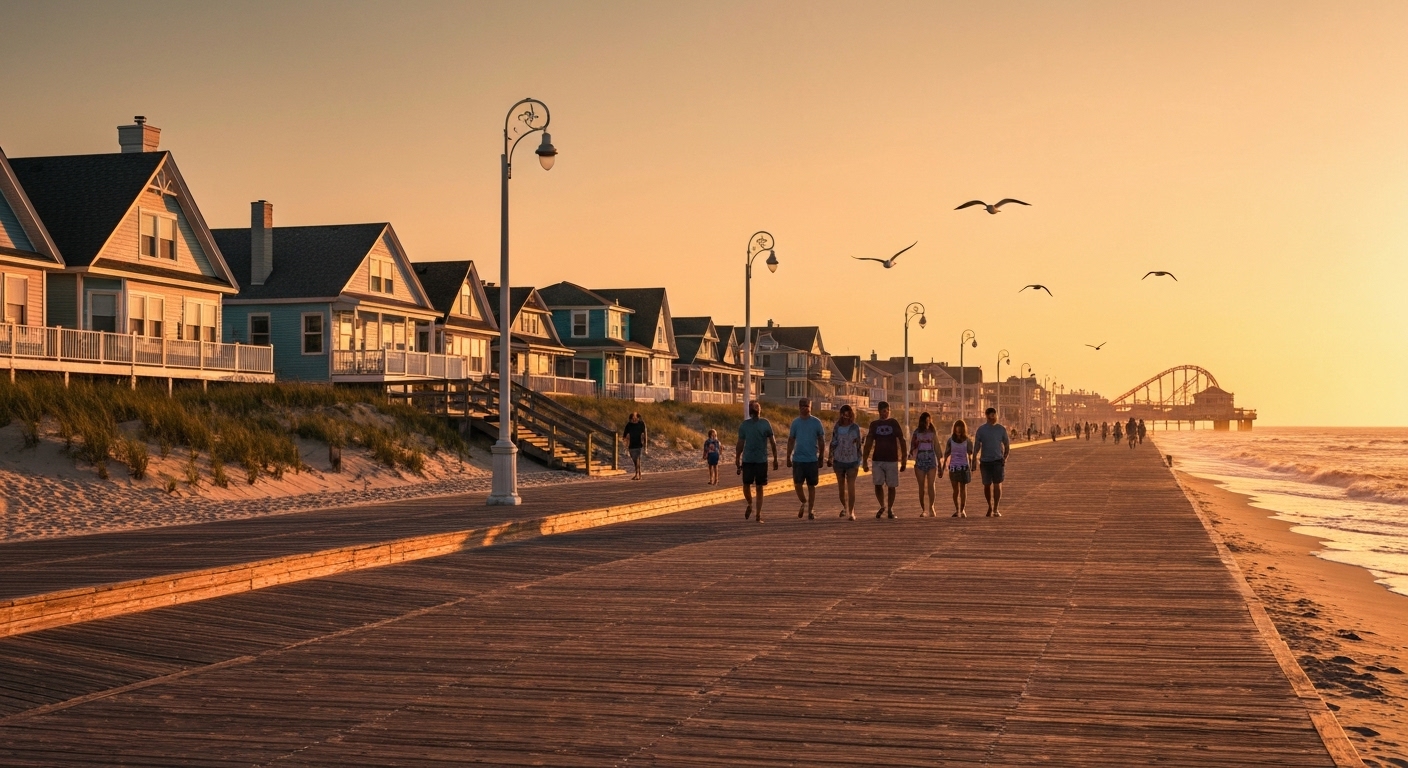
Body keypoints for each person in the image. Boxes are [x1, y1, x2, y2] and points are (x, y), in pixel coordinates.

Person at [861, 401, 907, 519]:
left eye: (886, 411)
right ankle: (882, 505)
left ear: (889, 410)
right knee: (878, 484)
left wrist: (904, 459)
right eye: (882, 411)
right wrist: (865, 460)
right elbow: (869, 442)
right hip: (878, 459)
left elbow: (902, 440)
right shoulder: (874, 424)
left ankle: (890, 509)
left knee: (892, 486)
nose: (884, 413)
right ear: (879, 412)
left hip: (892, 459)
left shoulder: (894, 423)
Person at [737, 400, 779, 523]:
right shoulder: (744, 425)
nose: (757, 409)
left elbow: (773, 442)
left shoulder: (765, 423)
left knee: (760, 487)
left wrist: (775, 459)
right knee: (746, 484)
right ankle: (750, 503)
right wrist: (737, 458)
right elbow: (740, 443)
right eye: (755, 407)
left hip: (761, 460)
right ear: (751, 410)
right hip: (748, 459)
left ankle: (758, 514)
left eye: (758, 407)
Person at [786, 398, 826, 520]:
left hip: (812, 459)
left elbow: (821, 440)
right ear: (799, 407)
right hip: (798, 458)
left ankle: (810, 510)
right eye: (802, 406)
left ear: (810, 407)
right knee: (797, 485)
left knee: (811, 486)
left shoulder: (816, 422)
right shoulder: (795, 423)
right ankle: (804, 501)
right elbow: (791, 440)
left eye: (807, 406)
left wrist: (821, 456)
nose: (805, 408)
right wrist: (788, 456)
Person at [828, 404, 863, 520]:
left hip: (852, 461)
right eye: (843, 414)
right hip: (838, 461)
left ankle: (851, 511)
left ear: (851, 415)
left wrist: (859, 460)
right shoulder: (837, 427)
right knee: (841, 489)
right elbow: (833, 442)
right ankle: (845, 506)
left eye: (848, 414)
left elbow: (859, 445)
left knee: (851, 486)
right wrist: (830, 457)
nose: (845, 417)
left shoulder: (855, 428)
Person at [974, 407, 1011, 517]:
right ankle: (989, 506)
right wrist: (974, 459)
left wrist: (1005, 457)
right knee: (986, 485)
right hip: (985, 461)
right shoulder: (981, 430)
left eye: (994, 416)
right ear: (986, 416)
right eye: (990, 417)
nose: (992, 419)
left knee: (997, 484)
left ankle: (995, 508)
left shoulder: (1001, 429)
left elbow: (1007, 445)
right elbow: (977, 445)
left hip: (997, 461)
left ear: (996, 416)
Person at [909, 412, 940, 517]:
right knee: (921, 487)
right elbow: (912, 447)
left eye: (928, 421)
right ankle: (924, 509)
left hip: (931, 460)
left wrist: (940, 462)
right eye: (925, 421)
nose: (927, 423)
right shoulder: (916, 432)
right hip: (920, 461)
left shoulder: (932, 432)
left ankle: (931, 507)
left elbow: (937, 447)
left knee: (931, 485)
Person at [942, 419, 975, 517]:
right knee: (955, 490)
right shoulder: (950, 440)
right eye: (957, 430)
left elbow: (970, 454)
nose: (958, 432)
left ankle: (962, 509)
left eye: (960, 430)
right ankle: (957, 510)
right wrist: (942, 468)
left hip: (964, 467)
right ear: (954, 429)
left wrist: (973, 465)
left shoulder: (967, 441)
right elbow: (946, 454)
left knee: (963, 489)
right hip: (953, 468)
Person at [623, 412, 647, 480]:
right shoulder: (629, 425)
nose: (634, 419)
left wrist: (645, 445)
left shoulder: (641, 424)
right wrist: (625, 440)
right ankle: (639, 473)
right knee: (634, 460)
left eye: (635, 417)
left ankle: (637, 474)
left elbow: (645, 434)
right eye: (633, 417)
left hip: (639, 444)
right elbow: (625, 434)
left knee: (637, 459)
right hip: (631, 445)